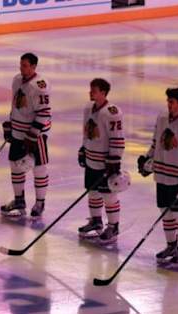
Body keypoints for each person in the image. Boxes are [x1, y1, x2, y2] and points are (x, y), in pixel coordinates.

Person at [138, 87, 178, 267]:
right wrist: (147, 159)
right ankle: (171, 246)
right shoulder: (161, 118)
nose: (169, 104)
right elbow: (155, 142)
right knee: (165, 212)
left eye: (172, 102)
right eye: (168, 101)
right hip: (162, 175)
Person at [1, 53, 51, 219]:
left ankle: (40, 203)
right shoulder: (16, 80)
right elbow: (15, 105)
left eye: (25, 65)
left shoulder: (40, 86)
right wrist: (10, 124)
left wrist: (33, 134)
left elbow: (44, 113)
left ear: (34, 67)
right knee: (15, 165)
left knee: (39, 168)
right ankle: (19, 200)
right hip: (17, 132)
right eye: (21, 65)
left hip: (35, 136)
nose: (21, 68)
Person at [78, 78, 125, 245]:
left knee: (109, 195)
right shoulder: (88, 109)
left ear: (103, 93)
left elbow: (117, 138)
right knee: (92, 192)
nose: (90, 92)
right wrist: (83, 149)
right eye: (91, 89)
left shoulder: (112, 113)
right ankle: (96, 220)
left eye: (94, 90)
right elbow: (86, 132)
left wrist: (114, 159)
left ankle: (113, 226)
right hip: (91, 159)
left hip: (105, 163)